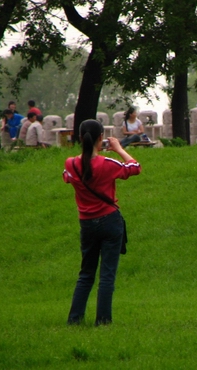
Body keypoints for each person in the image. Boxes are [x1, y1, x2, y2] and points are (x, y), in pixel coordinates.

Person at [63, 119, 141, 326]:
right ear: (100, 138)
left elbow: (67, 177)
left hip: (86, 224)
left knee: (86, 273)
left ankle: (74, 319)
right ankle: (103, 321)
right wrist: (119, 149)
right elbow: (135, 167)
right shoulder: (107, 163)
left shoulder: (70, 163)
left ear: (80, 138)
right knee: (107, 275)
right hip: (109, 221)